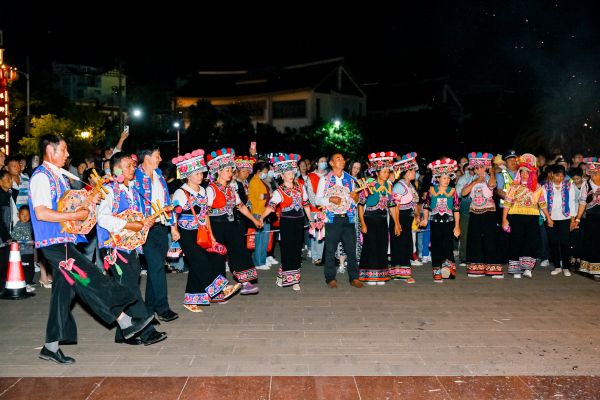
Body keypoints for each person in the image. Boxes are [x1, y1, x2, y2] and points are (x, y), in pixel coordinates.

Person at [30, 134, 153, 364]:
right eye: (64, 149)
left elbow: (68, 206)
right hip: (53, 243)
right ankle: (125, 320)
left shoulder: (59, 176)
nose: (67, 154)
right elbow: (41, 212)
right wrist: (76, 215)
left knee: (64, 293)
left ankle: (50, 347)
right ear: (50, 150)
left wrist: (89, 202)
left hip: (63, 240)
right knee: (90, 277)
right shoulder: (41, 177)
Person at [96, 152, 167, 346]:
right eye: (127, 166)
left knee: (127, 286)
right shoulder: (108, 190)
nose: (132, 168)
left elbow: (137, 218)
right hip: (113, 247)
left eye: (132, 165)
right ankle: (147, 332)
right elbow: (102, 218)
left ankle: (123, 334)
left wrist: (146, 222)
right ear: (116, 169)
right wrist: (128, 225)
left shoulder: (133, 190)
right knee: (131, 287)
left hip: (130, 246)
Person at [172, 150, 241, 311]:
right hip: (185, 233)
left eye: (201, 173)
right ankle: (221, 288)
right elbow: (172, 214)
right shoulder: (181, 192)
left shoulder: (203, 190)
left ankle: (191, 300)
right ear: (188, 176)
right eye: (196, 174)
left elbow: (205, 214)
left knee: (197, 264)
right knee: (200, 261)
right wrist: (174, 230)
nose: (200, 176)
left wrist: (211, 234)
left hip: (201, 231)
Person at [205, 148, 263, 296]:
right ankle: (218, 291)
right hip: (216, 225)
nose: (230, 173)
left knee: (239, 251)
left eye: (231, 170)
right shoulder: (211, 189)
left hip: (231, 225)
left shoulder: (231, 189)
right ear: (218, 172)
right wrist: (210, 234)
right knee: (217, 258)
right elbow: (205, 213)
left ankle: (245, 283)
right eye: (227, 170)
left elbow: (241, 206)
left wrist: (254, 220)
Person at [134, 145, 179, 322]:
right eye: (157, 156)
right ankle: (162, 308)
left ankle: (148, 311)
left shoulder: (159, 175)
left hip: (161, 227)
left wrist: (173, 226)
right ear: (146, 157)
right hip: (145, 229)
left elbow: (167, 202)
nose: (160, 159)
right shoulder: (135, 177)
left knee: (155, 269)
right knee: (157, 267)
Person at [259, 154, 312, 290]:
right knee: (288, 249)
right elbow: (271, 207)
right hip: (287, 223)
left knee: (297, 250)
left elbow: (306, 205)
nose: (290, 175)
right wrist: (261, 217)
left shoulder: (301, 187)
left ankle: (294, 279)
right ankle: (289, 279)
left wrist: (311, 220)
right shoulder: (279, 191)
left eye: (292, 172)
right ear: (282, 175)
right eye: (287, 173)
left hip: (299, 222)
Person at [315, 153, 363, 289]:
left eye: (342, 159)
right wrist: (330, 199)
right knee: (330, 249)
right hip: (332, 219)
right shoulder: (325, 180)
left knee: (351, 249)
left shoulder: (351, 179)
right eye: (338, 159)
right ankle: (330, 278)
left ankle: (354, 277)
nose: (342, 161)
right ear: (331, 163)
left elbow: (356, 201)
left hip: (348, 218)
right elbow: (317, 200)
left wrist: (356, 198)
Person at [502, 154, 552, 279]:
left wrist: (548, 217)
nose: (524, 174)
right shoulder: (514, 186)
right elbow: (507, 202)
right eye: (522, 172)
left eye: (527, 172)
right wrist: (504, 218)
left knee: (532, 241)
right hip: (516, 216)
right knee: (516, 241)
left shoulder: (537, 187)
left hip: (532, 216)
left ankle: (527, 268)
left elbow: (542, 203)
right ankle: (516, 269)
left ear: (532, 173)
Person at [358, 152, 399, 285]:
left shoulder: (389, 186)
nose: (386, 174)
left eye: (388, 171)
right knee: (371, 246)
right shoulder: (369, 185)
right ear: (376, 172)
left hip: (382, 220)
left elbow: (391, 205)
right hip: (370, 219)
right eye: (384, 171)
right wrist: (363, 223)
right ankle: (369, 275)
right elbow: (360, 205)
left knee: (382, 245)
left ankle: (381, 274)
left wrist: (396, 223)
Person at [461, 153, 502, 278]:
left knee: (490, 239)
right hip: (475, 212)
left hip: (489, 212)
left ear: (486, 167)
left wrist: (491, 172)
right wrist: (475, 182)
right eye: (477, 168)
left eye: (481, 167)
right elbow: (463, 193)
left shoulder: (490, 177)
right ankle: (476, 269)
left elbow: (492, 185)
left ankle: (493, 269)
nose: (479, 170)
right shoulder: (472, 180)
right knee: (475, 240)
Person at [421, 158, 461, 282]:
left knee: (448, 246)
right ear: (437, 178)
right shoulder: (431, 191)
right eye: (444, 178)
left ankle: (449, 270)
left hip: (449, 223)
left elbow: (456, 209)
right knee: (436, 246)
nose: (447, 180)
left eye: (448, 178)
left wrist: (457, 226)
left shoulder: (453, 192)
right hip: (435, 223)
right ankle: (437, 272)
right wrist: (425, 219)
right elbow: (426, 206)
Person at [390, 152, 420, 283]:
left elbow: (414, 203)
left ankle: (400, 273)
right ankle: (403, 274)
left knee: (406, 244)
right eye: (413, 171)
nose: (415, 173)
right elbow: (395, 206)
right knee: (400, 245)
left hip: (407, 218)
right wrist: (397, 223)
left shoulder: (410, 185)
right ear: (407, 172)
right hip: (399, 218)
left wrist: (416, 216)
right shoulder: (399, 186)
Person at [544, 164, 577, 276]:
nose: (560, 178)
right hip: (551, 219)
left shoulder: (569, 186)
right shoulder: (545, 187)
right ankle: (557, 266)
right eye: (557, 175)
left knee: (564, 242)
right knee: (553, 242)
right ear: (552, 175)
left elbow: (572, 202)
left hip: (565, 218)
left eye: (562, 176)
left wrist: (573, 220)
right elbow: (543, 204)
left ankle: (566, 267)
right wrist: (547, 218)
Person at [571, 156, 600, 280]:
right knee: (591, 241)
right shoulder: (586, 184)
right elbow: (582, 202)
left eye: (596, 173)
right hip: (591, 218)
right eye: (591, 173)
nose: (593, 175)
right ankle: (592, 268)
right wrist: (577, 219)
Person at [247, 160, 272, 270]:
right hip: (258, 212)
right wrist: (270, 195)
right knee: (260, 239)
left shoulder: (260, 181)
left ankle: (262, 260)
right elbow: (260, 196)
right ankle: (258, 262)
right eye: (265, 171)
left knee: (265, 238)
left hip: (263, 211)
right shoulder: (254, 181)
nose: (266, 174)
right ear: (258, 171)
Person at [306, 156, 328, 265]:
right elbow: (310, 195)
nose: (324, 163)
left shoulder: (329, 175)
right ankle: (316, 256)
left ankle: (324, 256)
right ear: (317, 163)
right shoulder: (311, 176)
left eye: (325, 161)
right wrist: (320, 206)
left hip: (328, 209)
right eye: (321, 161)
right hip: (316, 209)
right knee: (317, 234)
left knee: (326, 234)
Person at [11, 205, 35, 291]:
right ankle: (25, 284)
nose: (25, 217)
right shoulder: (18, 226)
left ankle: (29, 281)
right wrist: (21, 241)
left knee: (31, 268)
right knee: (25, 268)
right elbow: (13, 237)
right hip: (22, 252)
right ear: (18, 215)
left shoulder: (30, 225)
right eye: (22, 214)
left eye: (27, 215)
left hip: (30, 251)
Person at [0, 169, 16, 287]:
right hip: (2, 235)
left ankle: (3, 286)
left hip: (5, 233)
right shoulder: (1, 196)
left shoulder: (8, 194)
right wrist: (6, 236)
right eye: (7, 179)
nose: (10, 181)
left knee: (5, 261)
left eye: (10, 178)